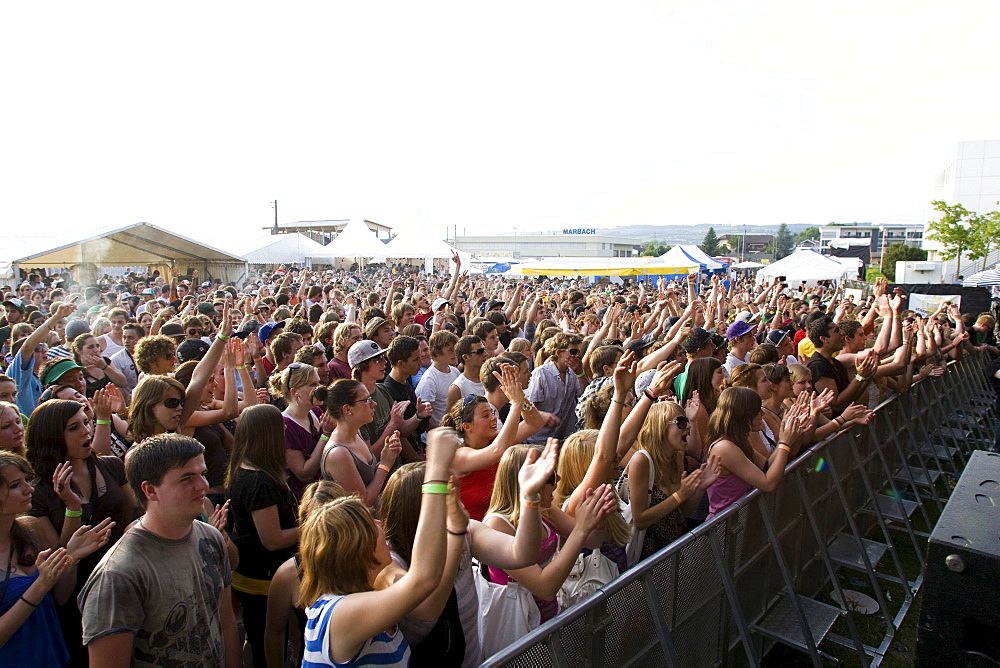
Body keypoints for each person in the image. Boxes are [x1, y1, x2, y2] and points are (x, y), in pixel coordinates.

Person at [298, 427, 458, 667]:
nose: (380, 522)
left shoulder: (378, 576)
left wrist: (456, 530)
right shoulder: (338, 614)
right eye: (370, 522)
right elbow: (422, 581)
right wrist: (435, 473)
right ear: (355, 547)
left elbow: (426, 607)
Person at [78, 433, 242, 667]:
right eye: (187, 478)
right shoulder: (118, 576)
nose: (203, 485)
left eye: (202, 474)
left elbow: (225, 622)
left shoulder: (211, 538)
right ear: (150, 490)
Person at [378, 451, 552, 666]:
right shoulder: (391, 560)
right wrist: (455, 534)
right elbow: (426, 612)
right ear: (421, 514)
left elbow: (522, 553)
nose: (462, 507)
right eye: (449, 501)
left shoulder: (466, 532)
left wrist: (529, 498)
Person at [0, 451, 113, 665]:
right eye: (15, 485)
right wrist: (40, 585)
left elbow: (58, 598)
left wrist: (71, 558)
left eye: (27, 480)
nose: (29, 489)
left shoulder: (29, 530)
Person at [484, 443, 617, 623]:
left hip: (548, 617)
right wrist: (582, 527)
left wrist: (597, 517)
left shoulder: (544, 509)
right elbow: (544, 587)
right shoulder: (497, 525)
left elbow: (593, 542)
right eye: (551, 476)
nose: (559, 479)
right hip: (517, 626)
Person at [227, 404, 300, 668]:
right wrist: (312, 525)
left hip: (259, 572)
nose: (284, 428)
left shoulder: (249, 469)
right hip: (261, 577)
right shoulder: (259, 482)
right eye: (278, 425)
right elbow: (273, 539)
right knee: (264, 640)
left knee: (258, 636)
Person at [265, 480, 348, 668]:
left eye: (331, 523)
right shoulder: (289, 574)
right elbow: (274, 634)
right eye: (316, 523)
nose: (324, 532)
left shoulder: (366, 562)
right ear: (304, 524)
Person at [624, 401, 719, 560]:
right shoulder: (641, 461)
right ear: (660, 427)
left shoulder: (677, 457)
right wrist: (680, 495)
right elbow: (639, 519)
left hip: (672, 551)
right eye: (681, 422)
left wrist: (701, 487)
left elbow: (682, 512)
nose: (688, 427)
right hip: (646, 559)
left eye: (686, 421)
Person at [703, 388, 811, 519]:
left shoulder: (738, 441)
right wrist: (785, 444)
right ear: (744, 414)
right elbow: (768, 484)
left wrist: (785, 438)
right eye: (757, 410)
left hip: (743, 520)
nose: (762, 414)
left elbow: (767, 466)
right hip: (727, 526)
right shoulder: (724, 447)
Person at [442, 364, 526, 521]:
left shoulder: (494, 440)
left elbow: (534, 423)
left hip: (502, 527)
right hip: (473, 535)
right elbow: (498, 451)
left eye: (492, 413)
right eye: (485, 415)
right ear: (467, 426)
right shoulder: (459, 455)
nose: (493, 418)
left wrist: (519, 396)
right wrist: (516, 404)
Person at [320, 379, 402, 506]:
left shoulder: (356, 433)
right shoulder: (338, 454)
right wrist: (385, 465)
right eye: (366, 400)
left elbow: (367, 478)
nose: (374, 403)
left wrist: (387, 454)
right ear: (347, 409)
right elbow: (363, 502)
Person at [274, 363, 330, 499]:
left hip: (325, 489)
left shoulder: (315, 411)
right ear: (294, 392)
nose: (318, 388)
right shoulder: (285, 425)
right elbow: (303, 473)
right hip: (305, 497)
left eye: (318, 382)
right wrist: (326, 435)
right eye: (312, 384)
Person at [525, 332, 584, 443]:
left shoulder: (573, 374)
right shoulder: (541, 374)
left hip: (563, 439)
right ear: (558, 353)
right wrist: (544, 417)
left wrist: (580, 373)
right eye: (573, 352)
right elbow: (530, 408)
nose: (577, 355)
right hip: (539, 440)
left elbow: (584, 397)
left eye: (578, 352)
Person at [415, 330, 461, 427]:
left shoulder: (455, 372)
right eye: (450, 350)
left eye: (455, 349)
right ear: (437, 352)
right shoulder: (429, 380)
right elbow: (427, 418)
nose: (454, 353)